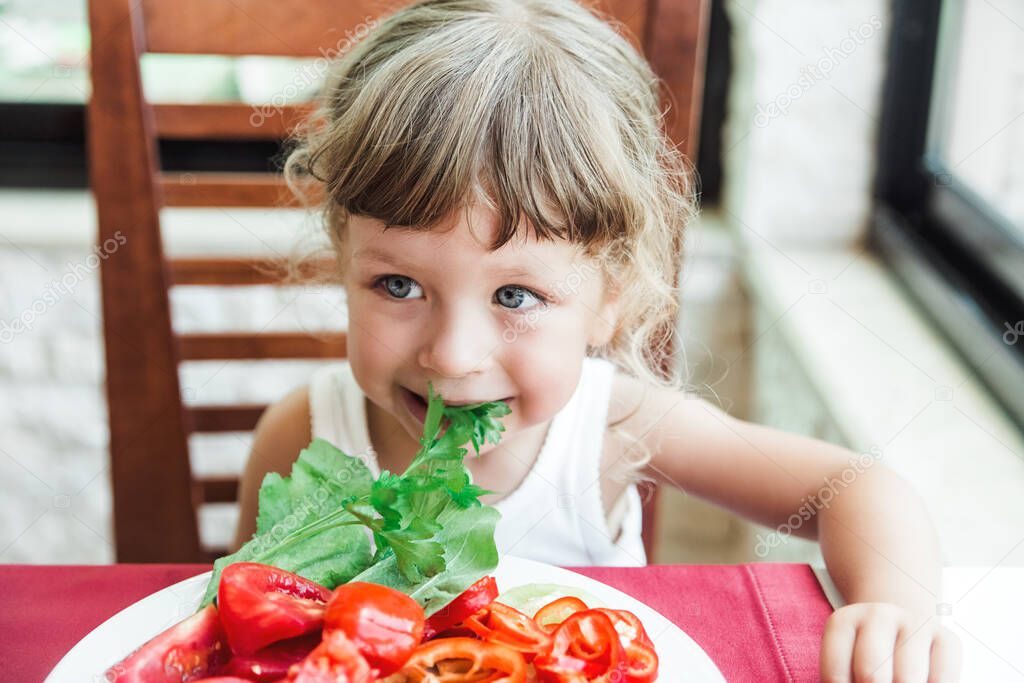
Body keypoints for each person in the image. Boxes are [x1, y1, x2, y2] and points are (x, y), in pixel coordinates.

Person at [231, 1, 961, 679]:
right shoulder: (299, 437)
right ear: (342, 260)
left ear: (611, 299)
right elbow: (248, 624)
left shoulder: (618, 428)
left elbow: (855, 488)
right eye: (398, 286)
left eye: (515, 295)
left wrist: (894, 608)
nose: (452, 356)